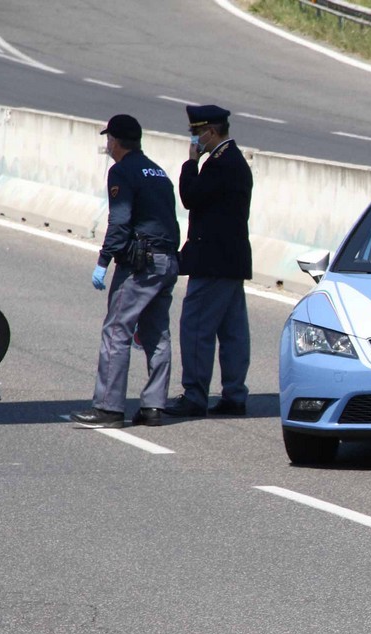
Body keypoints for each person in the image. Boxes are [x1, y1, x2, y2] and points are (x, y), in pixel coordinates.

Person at [70, 114, 180, 429]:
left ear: (115, 142)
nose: (108, 145)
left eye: (109, 140)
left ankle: (109, 408)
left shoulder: (122, 171)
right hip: (167, 261)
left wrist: (104, 261)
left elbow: (120, 220)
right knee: (156, 333)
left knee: (116, 330)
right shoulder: (158, 171)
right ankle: (153, 407)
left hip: (140, 265)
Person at [164, 104, 254, 418]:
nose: (194, 139)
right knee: (232, 332)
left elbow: (190, 197)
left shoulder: (219, 163)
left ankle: (195, 395)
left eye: (196, 133)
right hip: (230, 261)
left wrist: (191, 162)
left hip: (213, 261)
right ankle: (234, 394)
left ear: (210, 132)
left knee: (196, 327)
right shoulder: (235, 160)